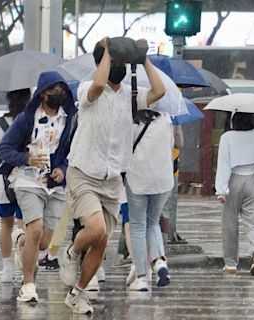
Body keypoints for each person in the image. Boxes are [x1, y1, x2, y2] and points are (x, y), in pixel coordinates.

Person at [60, 38, 165, 315]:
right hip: (83, 173)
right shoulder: (87, 89)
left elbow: (159, 91)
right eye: (113, 62)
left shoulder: (131, 95)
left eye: (121, 62)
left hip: (112, 179)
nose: (117, 66)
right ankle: (70, 254)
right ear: (102, 62)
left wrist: (143, 59)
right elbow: (98, 85)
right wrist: (107, 50)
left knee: (103, 240)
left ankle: (78, 293)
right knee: (95, 230)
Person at [0, 71, 77, 303]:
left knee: (42, 241)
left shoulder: (69, 119)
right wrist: (26, 159)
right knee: (35, 229)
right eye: (54, 90)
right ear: (43, 94)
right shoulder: (26, 119)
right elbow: (4, 149)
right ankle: (28, 285)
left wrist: (63, 167)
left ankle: (21, 242)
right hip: (27, 181)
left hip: (56, 185)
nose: (59, 94)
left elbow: (72, 150)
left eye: (62, 90)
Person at [125, 109, 173, 291]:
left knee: (137, 225)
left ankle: (141, 277)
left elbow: (124, 150)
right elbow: (170, 147)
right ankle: (160, 262)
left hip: (138, 179)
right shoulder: (166, 118)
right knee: (153, 222)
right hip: (163, 180)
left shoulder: (132, 121)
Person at [215, 112, 254, 275]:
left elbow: (223, 164)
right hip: (252, 180)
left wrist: (221, 190)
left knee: (230, 223)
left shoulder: (227, 137)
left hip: (234, 180)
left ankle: (231, 264)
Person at [0, 88, 31, 283]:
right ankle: (25, 261)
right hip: (27, 179)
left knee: (6, 224)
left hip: (4, 181)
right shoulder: (31, 121)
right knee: (25, 224)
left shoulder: (1, 124)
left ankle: (7, 269)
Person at [161, 124, 186, 244]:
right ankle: (166, 235)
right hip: (169, 166)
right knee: (167, 203)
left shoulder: (141, 117)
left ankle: (127, 248)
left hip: (146, 169)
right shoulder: (174, 119)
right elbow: (180, 143)